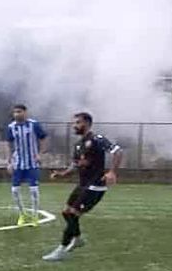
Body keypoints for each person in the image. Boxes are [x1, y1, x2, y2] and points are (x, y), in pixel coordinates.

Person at [44, 112, 123, 262]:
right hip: (82, 185)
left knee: (73, 214)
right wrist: (61, 174)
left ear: (87, 123)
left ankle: (61, 249)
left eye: (78, 123)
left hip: (95, 185)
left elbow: (117, 152)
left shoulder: (97, 139)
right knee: (66, 212)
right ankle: (78, 238)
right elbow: (75, 165)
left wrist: (112, 172)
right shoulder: (78, 145)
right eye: (74, 123)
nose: (75, 126)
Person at [6, 104, 48, 226]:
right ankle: (22, 214)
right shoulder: (11, 127)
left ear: (25, 112)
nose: (16, 114)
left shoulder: (34, 124)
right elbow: (9, 144)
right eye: (15, 112)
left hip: (32, 163)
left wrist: (40, 154)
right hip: (18, 163)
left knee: (33, 190)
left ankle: (35, 216)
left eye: (19, 111)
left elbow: (43, 138)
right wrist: (9, 162)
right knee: (14, 190)